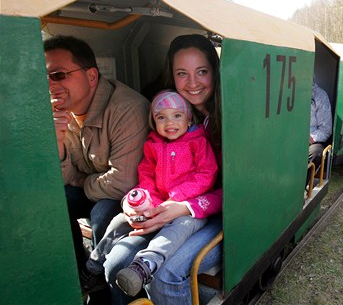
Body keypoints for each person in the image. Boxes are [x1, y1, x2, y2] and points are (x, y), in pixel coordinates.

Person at [102, 34, 224, 305]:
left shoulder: (229, 118)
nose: (192, 83)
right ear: (172, 76)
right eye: (182, 73)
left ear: (215, 73)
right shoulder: (167, 119)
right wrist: (141, 201)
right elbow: (150, 172)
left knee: (165, 275)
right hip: (168, 206)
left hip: (217, 214)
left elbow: (238, 191)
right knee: (115, 263)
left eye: (201, 71)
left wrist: (183, 206)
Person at [80, 90, 218, 297]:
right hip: (159, 203)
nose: (169, 123)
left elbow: (207, 174)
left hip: (189, 208)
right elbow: (146, 174)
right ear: (153, 121)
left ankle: (145, 264)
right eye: (161, 117)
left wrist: (177, 196)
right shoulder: (153, 145)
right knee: (119, 221)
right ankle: (94, 263)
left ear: (189, 119)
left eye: (177, 116)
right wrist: (148, 199)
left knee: (179, 229)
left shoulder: (198, 142)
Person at [45, 36, 150, 278]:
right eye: (45, 77)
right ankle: (73, 274)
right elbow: (62, 176)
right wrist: (58, 141)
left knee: (103, 212)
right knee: (54, 199)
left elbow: (122, 183)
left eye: (59, 75)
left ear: (91, 77)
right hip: (97, 186)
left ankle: (100, 283)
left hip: (127, 197)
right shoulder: (60, 111)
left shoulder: (126, 109)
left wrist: (80, 181)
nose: (50, 85)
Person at [308, 82, 332, 181]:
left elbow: (326, 129)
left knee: (316, 152)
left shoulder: (320, 96)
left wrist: (312, 138)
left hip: (311, 138)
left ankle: (302, 186)